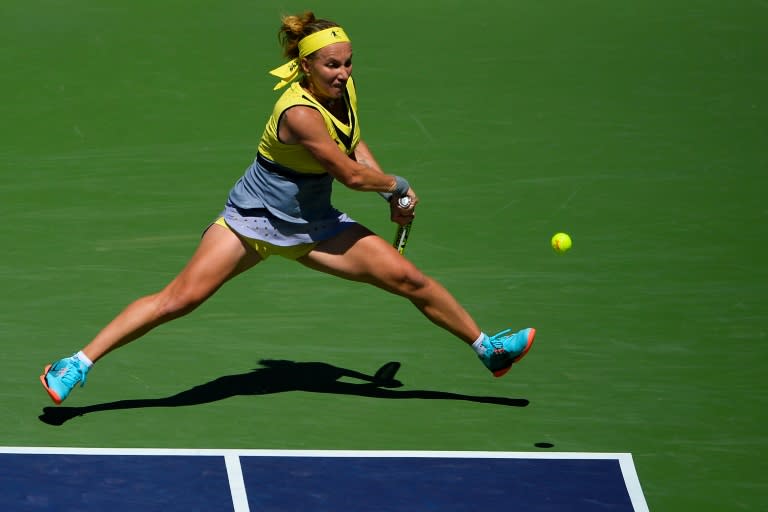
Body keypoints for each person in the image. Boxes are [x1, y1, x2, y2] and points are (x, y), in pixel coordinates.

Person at [40, 12, 536, 405]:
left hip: (314, 226)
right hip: (251, 222)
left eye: (347, 63)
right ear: (306, 68)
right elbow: (348, 173)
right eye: (332, 66)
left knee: (410, 280)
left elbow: (354, 143)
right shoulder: (298, 113)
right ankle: (75, 364)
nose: (343, 73)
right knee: (179, 300)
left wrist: (389, 194)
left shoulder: (342, 91)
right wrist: (398, 184)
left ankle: (487, 349)